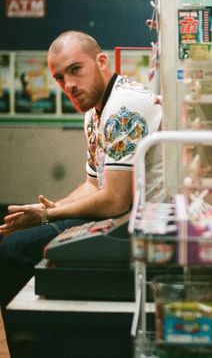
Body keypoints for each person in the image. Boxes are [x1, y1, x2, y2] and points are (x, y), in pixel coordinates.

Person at [0, 31, 162, 343]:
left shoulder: (123, 106)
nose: (68, 85)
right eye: (59, 78)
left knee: (12, 250)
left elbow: (114, 200)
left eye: (76, 70)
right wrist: (50, 209)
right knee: (17, 245)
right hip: (120, 220)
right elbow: (93, 185)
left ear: (101, 62)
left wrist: (50, 216)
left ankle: (40, 345)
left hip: (145, 227)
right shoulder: (93, 114)